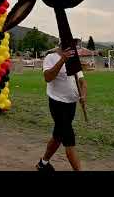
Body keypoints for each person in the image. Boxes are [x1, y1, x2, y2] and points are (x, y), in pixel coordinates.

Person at [36, 42, 87, 172]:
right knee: (69, 138)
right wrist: (62, 60)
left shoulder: (73, 59)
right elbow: (47, 77)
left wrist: (83, 95)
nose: (74, 47)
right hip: (57, 103)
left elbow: (82, 82)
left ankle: (43, 163)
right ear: (62, 45)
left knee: (58, 135)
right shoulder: (51, 57)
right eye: (72, 45)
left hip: (71, 104)